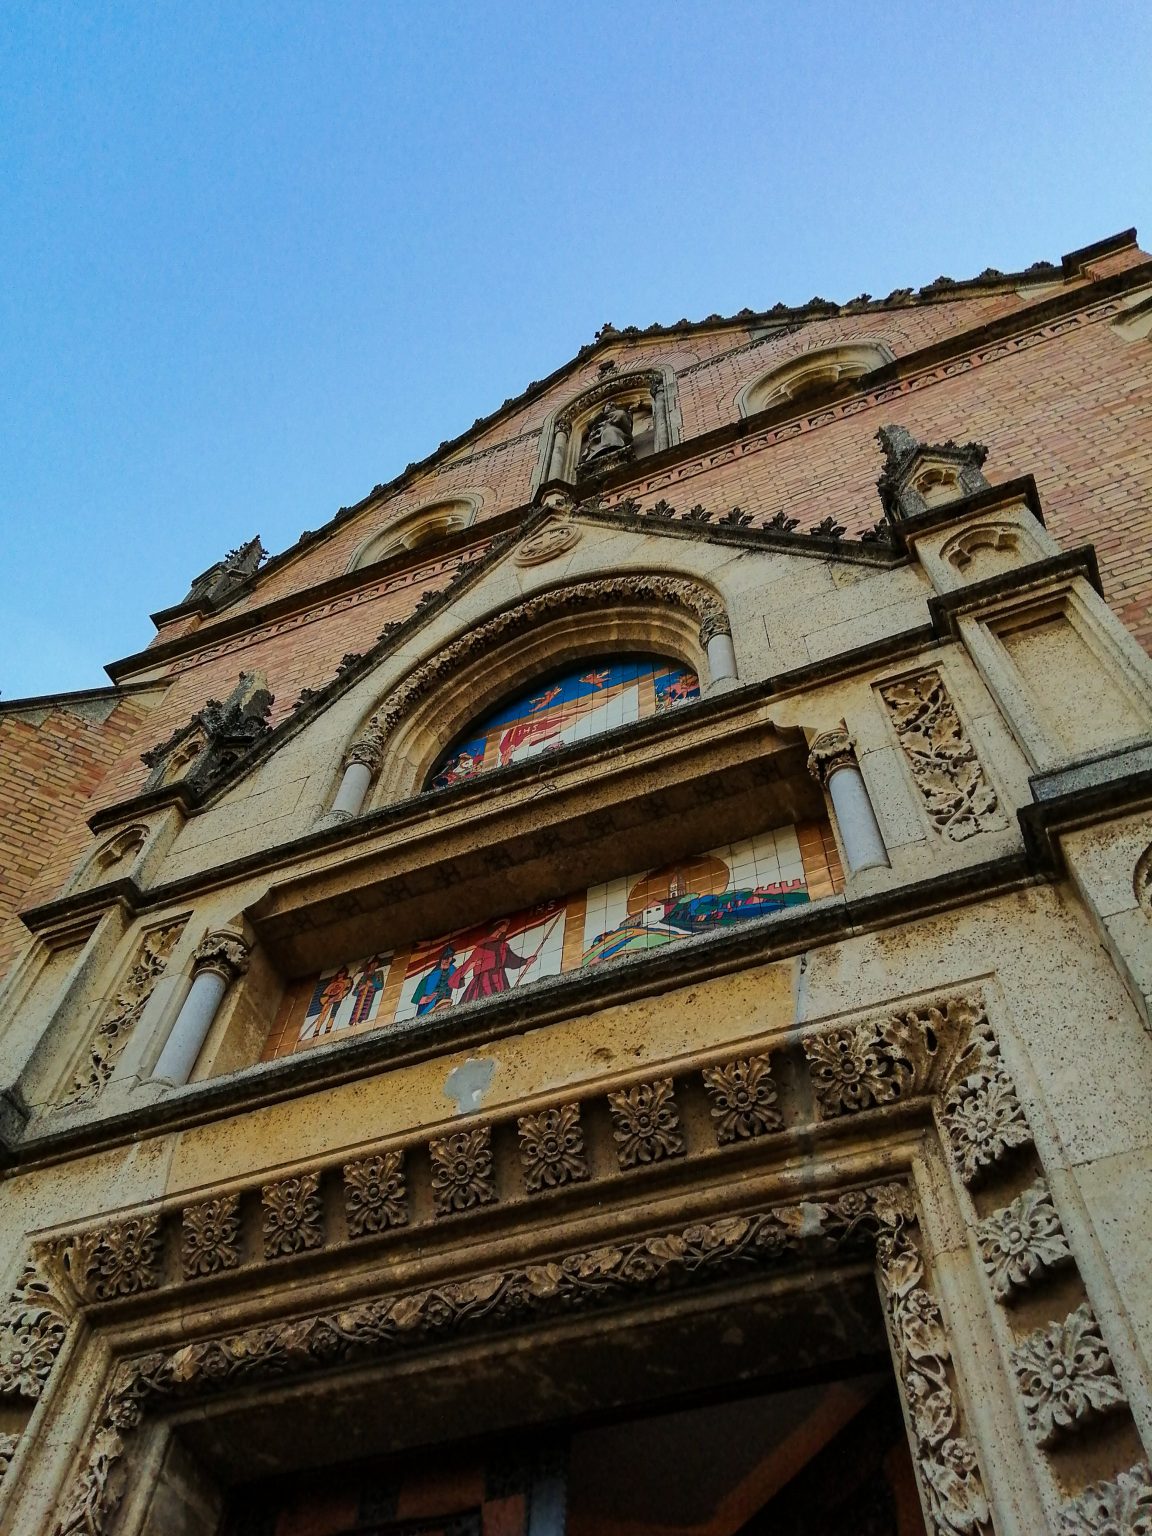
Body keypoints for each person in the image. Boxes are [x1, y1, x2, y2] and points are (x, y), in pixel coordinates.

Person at [449, 919, 533, 1003]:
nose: (507, 927)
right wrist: (473, 964)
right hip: (483, 981)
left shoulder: (502, 946)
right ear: (499, 926)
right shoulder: (481, 948)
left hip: (498, 978)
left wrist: (526, 961)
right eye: (505, 925)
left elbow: (511, 960)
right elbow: (468, 964)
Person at [410, 945, 459, 1015]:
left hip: (444, 1003)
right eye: (445, 958)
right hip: (428, 1007)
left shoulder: (453, 970)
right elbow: (416, 998)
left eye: (449, 960)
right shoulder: (429, 978)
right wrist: (426, 999)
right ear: (441, 960)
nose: (447, 961)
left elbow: (458, 983)